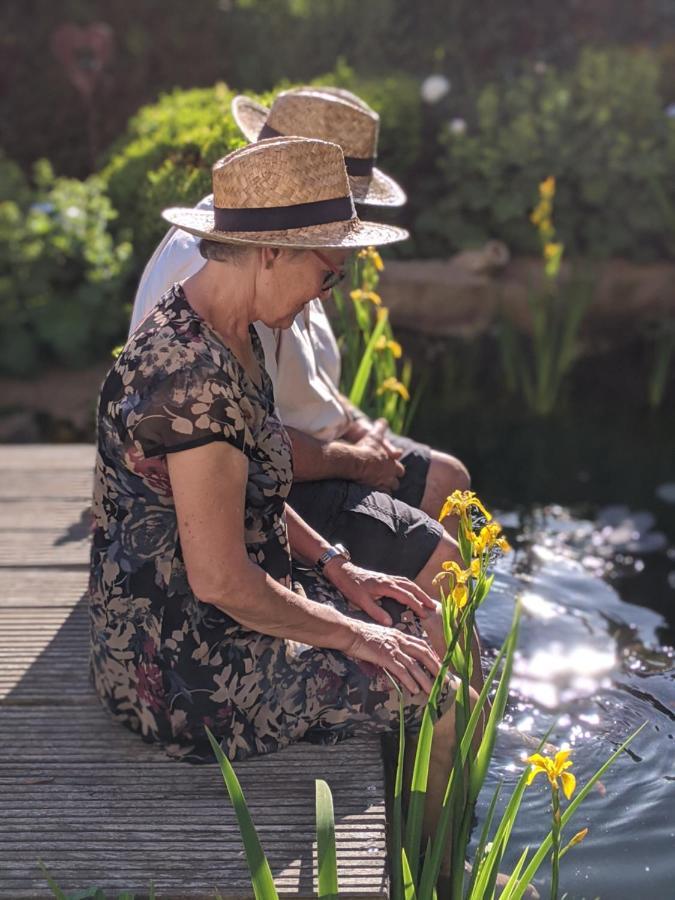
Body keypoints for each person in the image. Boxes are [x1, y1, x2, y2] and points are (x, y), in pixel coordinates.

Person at [90, 140, 481, 877]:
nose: (323, 297)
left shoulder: (229, 333)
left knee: (422, 622)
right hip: (181, 669)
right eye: (324, 275)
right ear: (269, 252)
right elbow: (220, 581)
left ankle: (415, 829)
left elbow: (258, 485)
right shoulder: (191, 380)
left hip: (205, 622)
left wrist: (338, 566)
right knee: (443, 698)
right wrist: (354, 636)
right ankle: (433, 872)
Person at [129, 86, 472, 616]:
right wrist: (357, 463)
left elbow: (303, 383)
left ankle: (433, 651)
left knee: (450, 481)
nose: (351, 226)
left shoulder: (289, 254)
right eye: (342, 198)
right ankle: (425, 658)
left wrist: (356, 425)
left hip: (303, 454)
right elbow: (242, 445)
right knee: (437, 550)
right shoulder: (232, 272)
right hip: (270, 481)